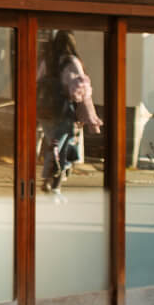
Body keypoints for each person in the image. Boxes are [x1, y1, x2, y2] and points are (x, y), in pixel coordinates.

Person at [38, 29, 102, 195]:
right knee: (63, 147)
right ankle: (55, 184)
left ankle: (47, 178)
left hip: (45, 110)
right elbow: (81, 89)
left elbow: (37, 81)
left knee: (52, 143)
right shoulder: (72, 61)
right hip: (63, 110)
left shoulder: (48, 61)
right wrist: (87, 114)